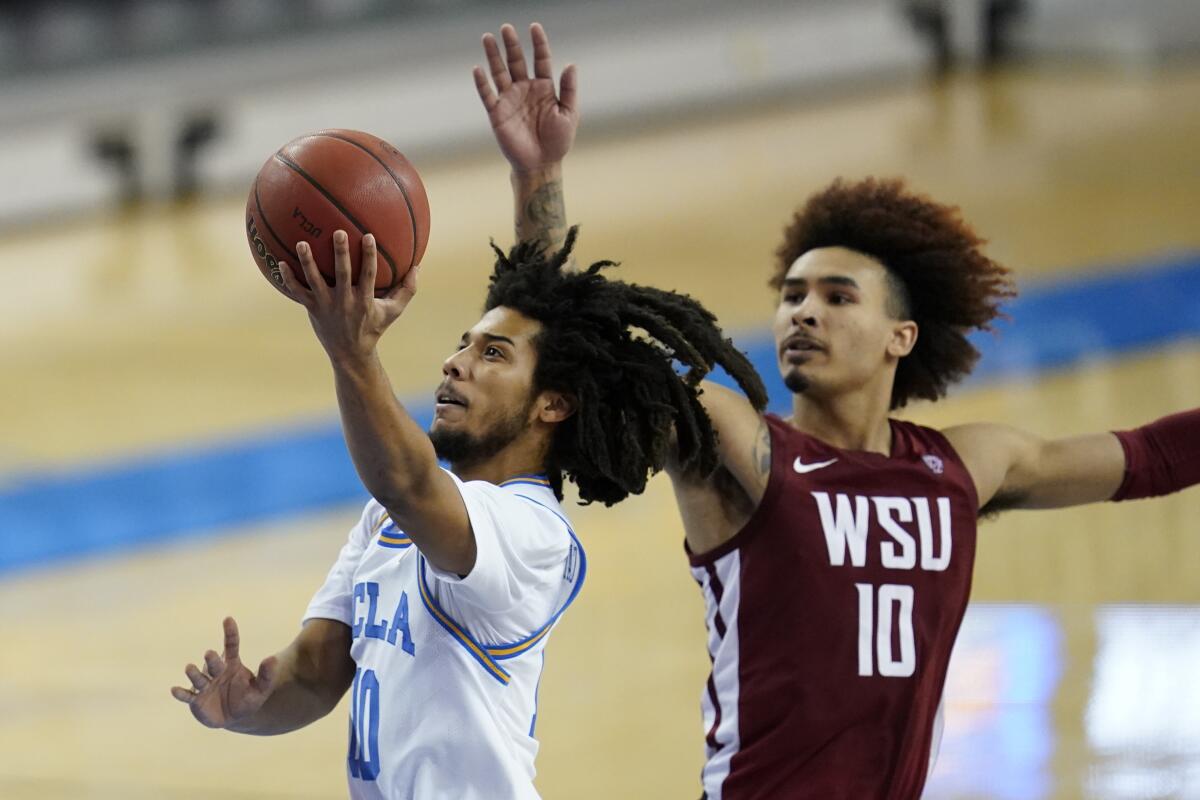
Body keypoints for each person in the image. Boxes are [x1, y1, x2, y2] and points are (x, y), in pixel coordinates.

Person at [475, 22, 1200, 799]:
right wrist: (539, 177)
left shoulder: (965, 466)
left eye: (835, 297)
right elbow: (581, 346)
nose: (802, 313)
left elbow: (1150, 459)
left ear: (901, 336)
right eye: (790, 297)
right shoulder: (734, 440)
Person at [171, 222, 765, 793]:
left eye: (494, 354)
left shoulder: (533, 535)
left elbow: (407, 480)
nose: (456, 362)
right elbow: (316, 672)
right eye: (463, 344)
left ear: (552, 405)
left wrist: (351, 353)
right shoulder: (387, 522)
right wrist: (250, 706)